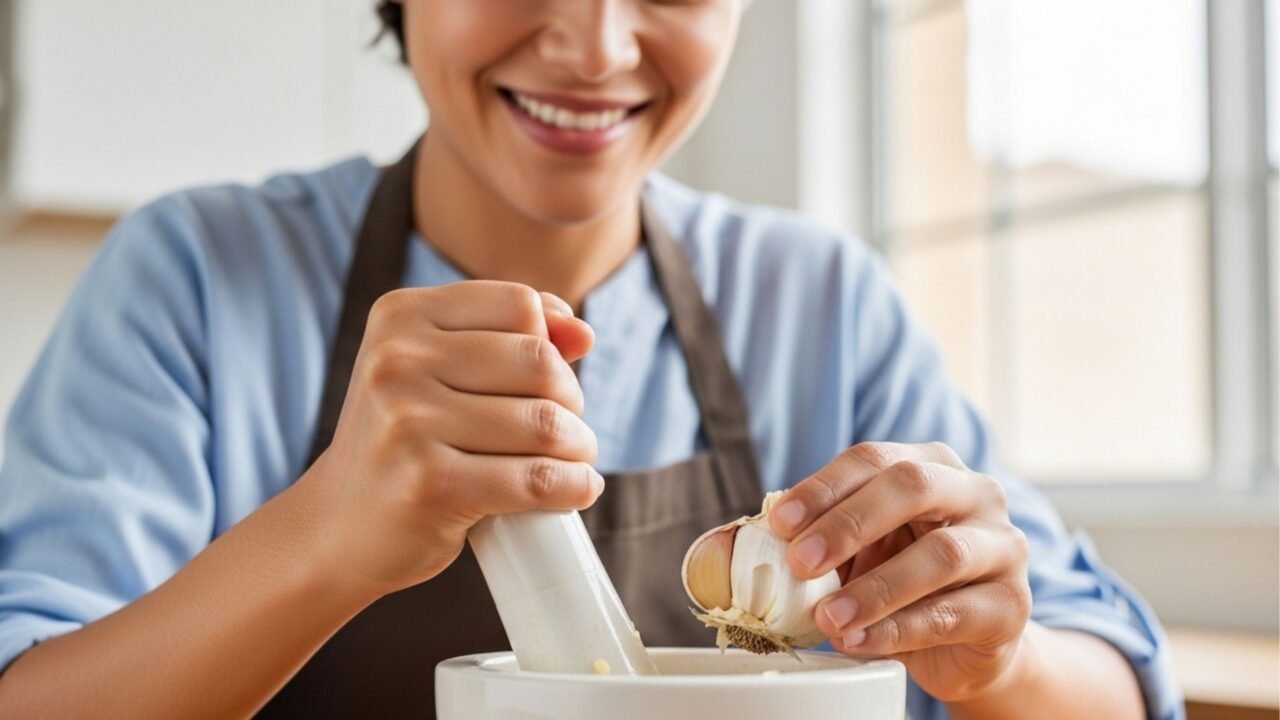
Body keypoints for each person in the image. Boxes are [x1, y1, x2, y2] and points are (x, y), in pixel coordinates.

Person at [0, 1, 1182, 718]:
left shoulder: (820, 304)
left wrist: (998, 658)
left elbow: (1114, 688)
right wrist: (318, 542)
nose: (592, 44)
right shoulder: (195, 276)